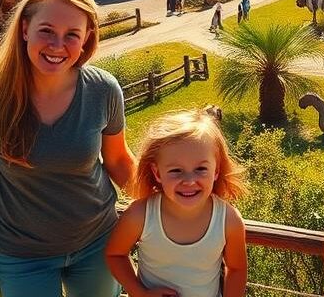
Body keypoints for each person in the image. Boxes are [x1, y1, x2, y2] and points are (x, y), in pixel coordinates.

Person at [0, 0, 135, 297]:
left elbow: (118, 161)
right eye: (46, 30)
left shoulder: (103, 90)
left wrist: (172, 200)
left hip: (98, 242)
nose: (57, 45)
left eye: (71, 35)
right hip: (20, 254)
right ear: (25, 29)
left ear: (86, 37)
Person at [105, 109, 248, 297]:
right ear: (157, 173)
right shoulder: (141, 215)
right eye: (175, 171)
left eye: (200, 168)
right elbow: (115, 255)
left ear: (216, 170)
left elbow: (236, 268)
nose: (189, 180)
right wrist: (139, 293)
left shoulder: (228, 220)